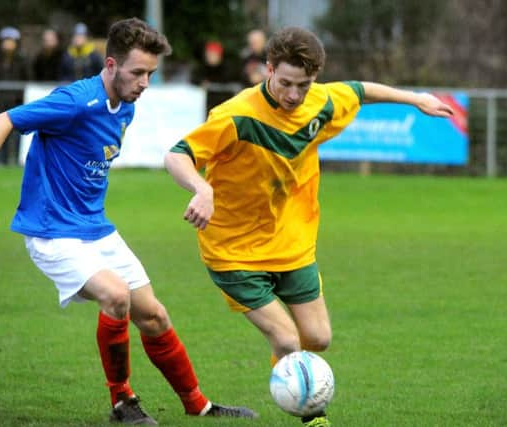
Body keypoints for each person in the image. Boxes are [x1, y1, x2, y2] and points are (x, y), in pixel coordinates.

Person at [0, 17, 256, 425]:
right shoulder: (77, 101)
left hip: (96, 229)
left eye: (150, 73)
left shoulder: (126, 106)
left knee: (155, 316)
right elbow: (2, 121)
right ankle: (122, 402)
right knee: (116, 296)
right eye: (137, 72)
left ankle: (198, 404)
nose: (145, 82)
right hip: (52, 232)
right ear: (110, 65)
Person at [163, 26, 454, 427]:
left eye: (304, 84)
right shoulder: (236, 115)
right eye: (285, 83)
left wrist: (415, 99)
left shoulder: (318, 101)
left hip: (293, 241)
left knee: (317, 339)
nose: (294, 95)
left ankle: (288, 372)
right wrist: (201, 189)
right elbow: (177, 155)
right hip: (233, 249)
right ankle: (309, 413)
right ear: (268, 69)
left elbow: (360, 90)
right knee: (286, 340)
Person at [0, 26, 29, 165]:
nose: (8, 43)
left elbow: (27, 79)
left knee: (18, 132)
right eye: (5, 40)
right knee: (1, 132)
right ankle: (2, 159)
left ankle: (18, 159)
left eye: (11, 40)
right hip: (0, 101)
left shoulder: (22, 60)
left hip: (17, 101)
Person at [190, 41, 236, 113]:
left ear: (219, 55)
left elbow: (231, 83)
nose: (210, 57)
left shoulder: (228, 69)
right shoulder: (201, 69)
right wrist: (201, 83)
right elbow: (193, 80)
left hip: (224, 106)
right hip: (206, 106)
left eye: (212, 54)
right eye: (208, 55)